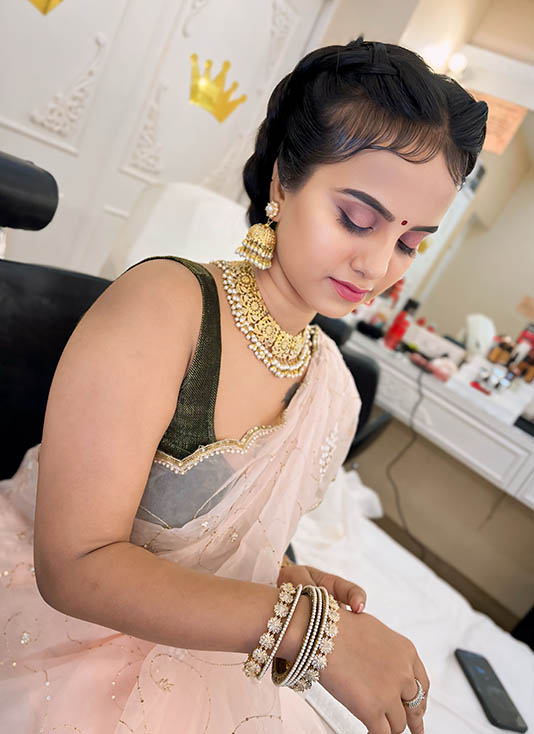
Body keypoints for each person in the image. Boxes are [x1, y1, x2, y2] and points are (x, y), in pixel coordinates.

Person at [0, 35, 487, 734]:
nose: (379, 263)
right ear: (283, 182)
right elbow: (73, 566)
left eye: (412, 243)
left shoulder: (334, 390)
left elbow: (217, 534)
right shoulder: (166, 308)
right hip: (45, 627)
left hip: (187, 644)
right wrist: (307, 630)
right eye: (357, 218)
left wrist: (284, 579)